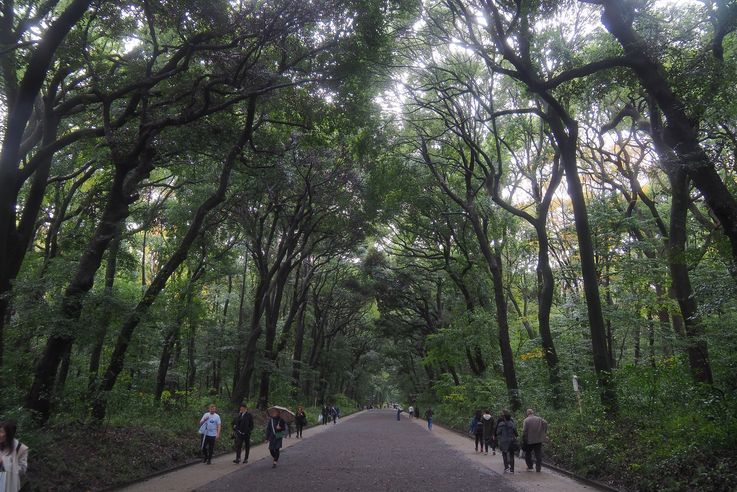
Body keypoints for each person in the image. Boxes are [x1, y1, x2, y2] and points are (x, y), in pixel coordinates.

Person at [0, 421, 28, 492]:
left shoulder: (20, 448)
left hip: (9, 485)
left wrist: (4, 462)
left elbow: (22, 470)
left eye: (1, 432)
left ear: (9, 434)